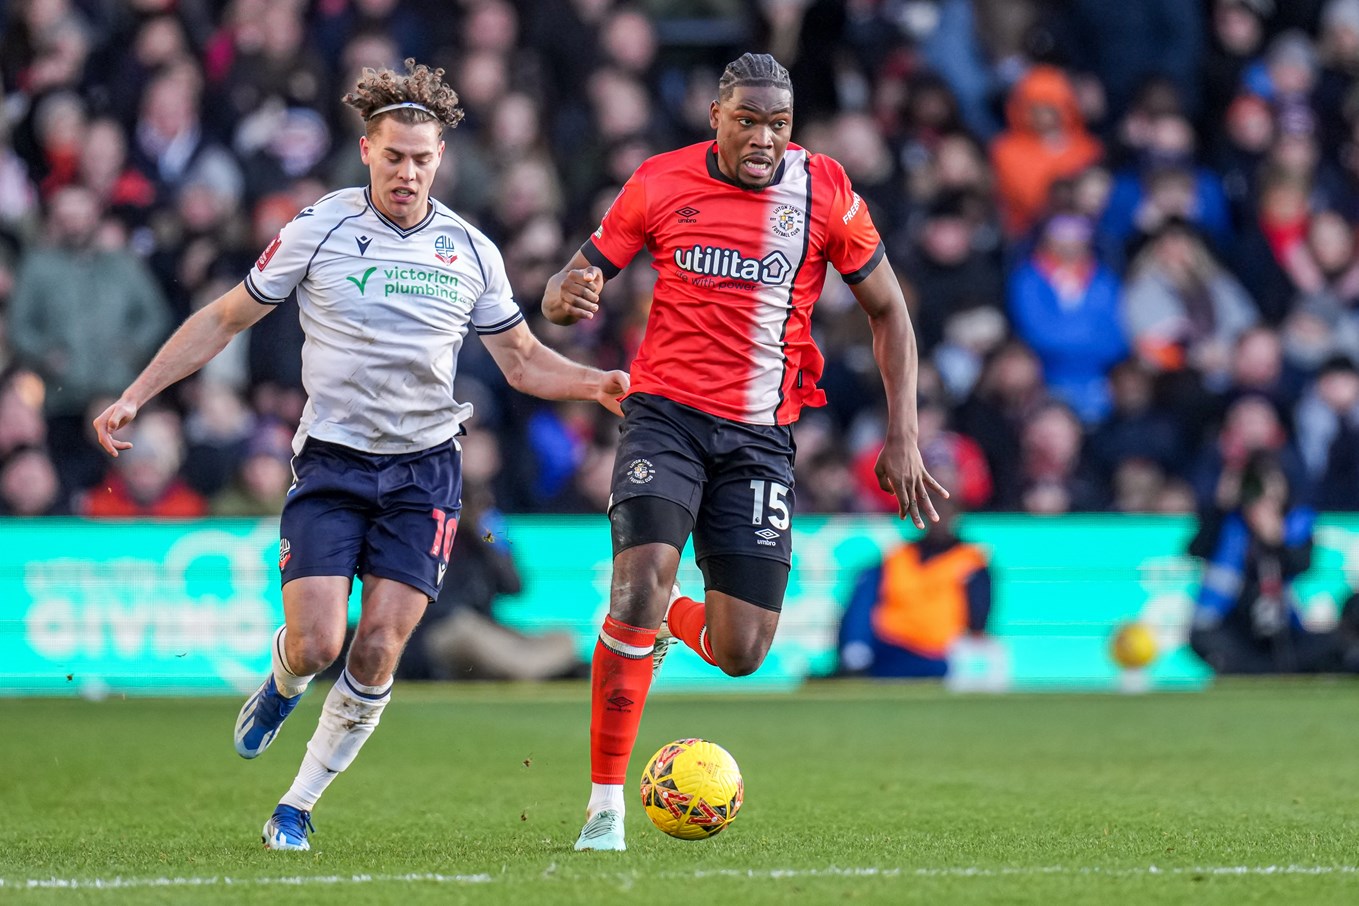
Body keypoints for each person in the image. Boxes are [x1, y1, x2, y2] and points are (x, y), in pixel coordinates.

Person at [92, 59, 628, 852]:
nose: (408, 172)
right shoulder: (321, 226)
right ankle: (281, 684)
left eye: (422, 159)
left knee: (378, 647)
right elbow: (225, 317)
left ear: (439, 159)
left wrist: (594, 383)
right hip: (334, 464)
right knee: (317, 644)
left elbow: (519, 361)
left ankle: (296, 806)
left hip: (426, 469)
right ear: (367, 151)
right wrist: (138, 391)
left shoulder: (470, 249)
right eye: (393, 157)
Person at [541, 53, 947, 852]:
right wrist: (564, 292)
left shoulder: (825, 191)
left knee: (741, 651)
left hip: (761, 436)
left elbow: (890, 311)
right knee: (637, 583)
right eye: (748, 121)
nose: (763, 138)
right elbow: (575, 277)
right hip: (663, 418)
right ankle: (604, 807)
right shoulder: (657, 182)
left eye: (778, 124)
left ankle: (664, 622)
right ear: (716, 119)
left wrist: (902, 433)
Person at [838, 436, 992, 678]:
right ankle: (854, 657)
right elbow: (864, 606)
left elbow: (979, 620)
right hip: (888, 645)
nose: (938, 514)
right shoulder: (898, 556)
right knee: (867, 580)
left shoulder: (971, 560)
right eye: (931, 505)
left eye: (944, 506)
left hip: (937, 655)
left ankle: (858, 670)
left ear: (958, 509)